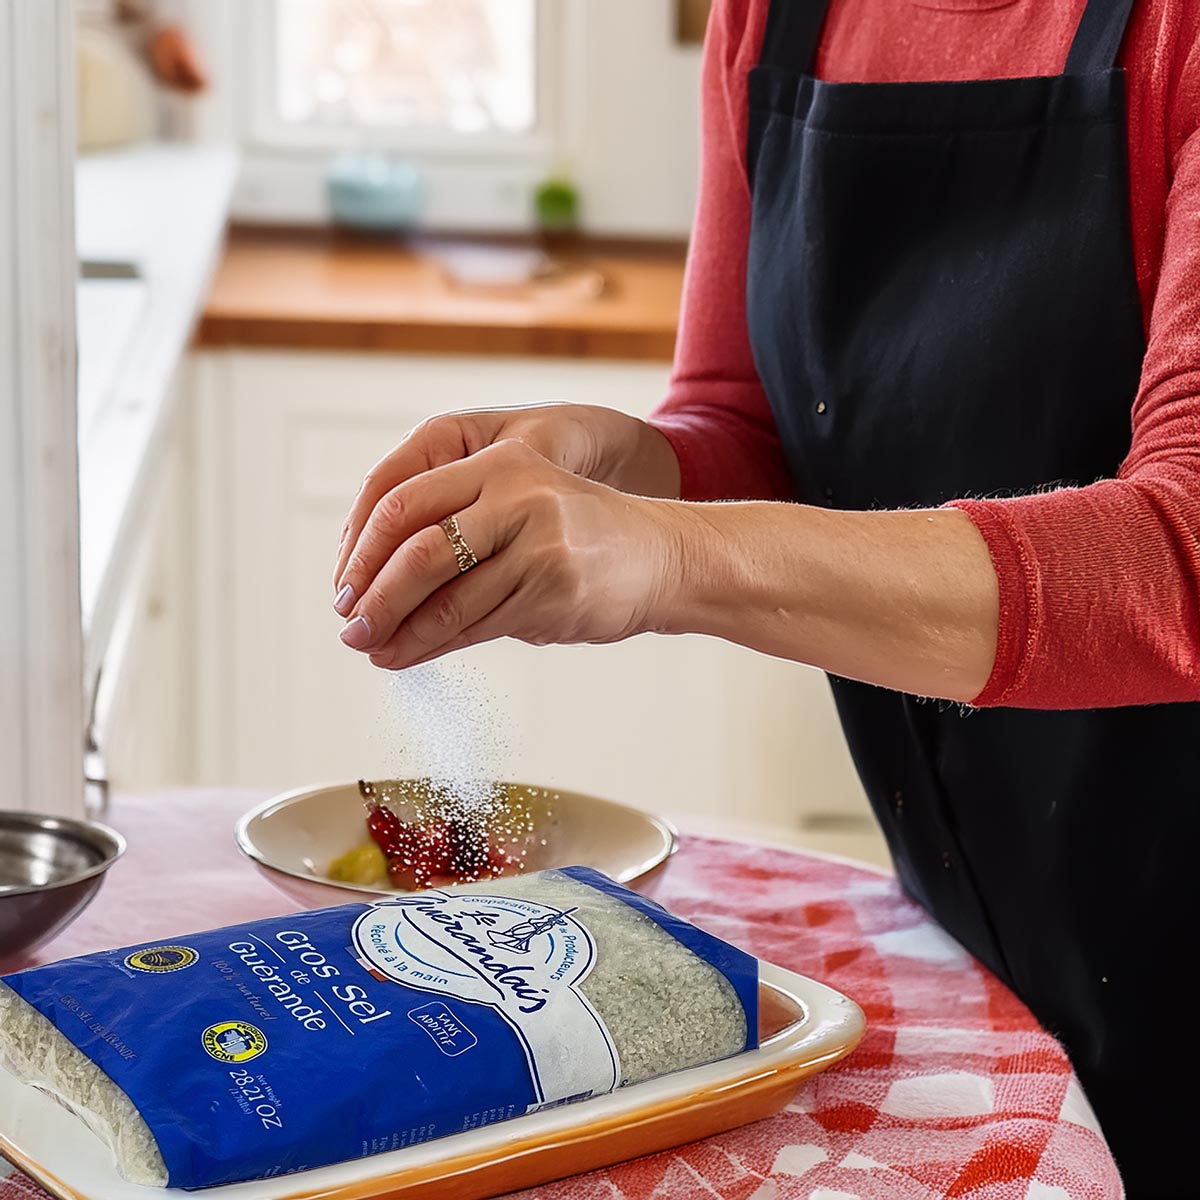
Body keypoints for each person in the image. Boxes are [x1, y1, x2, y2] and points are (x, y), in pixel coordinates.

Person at [332, 1, 1199, 1191]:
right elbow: (751, 421)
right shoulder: (778, 15)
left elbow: (1182, 556)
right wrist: (608, 457)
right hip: (981, 908)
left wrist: (673, 557)